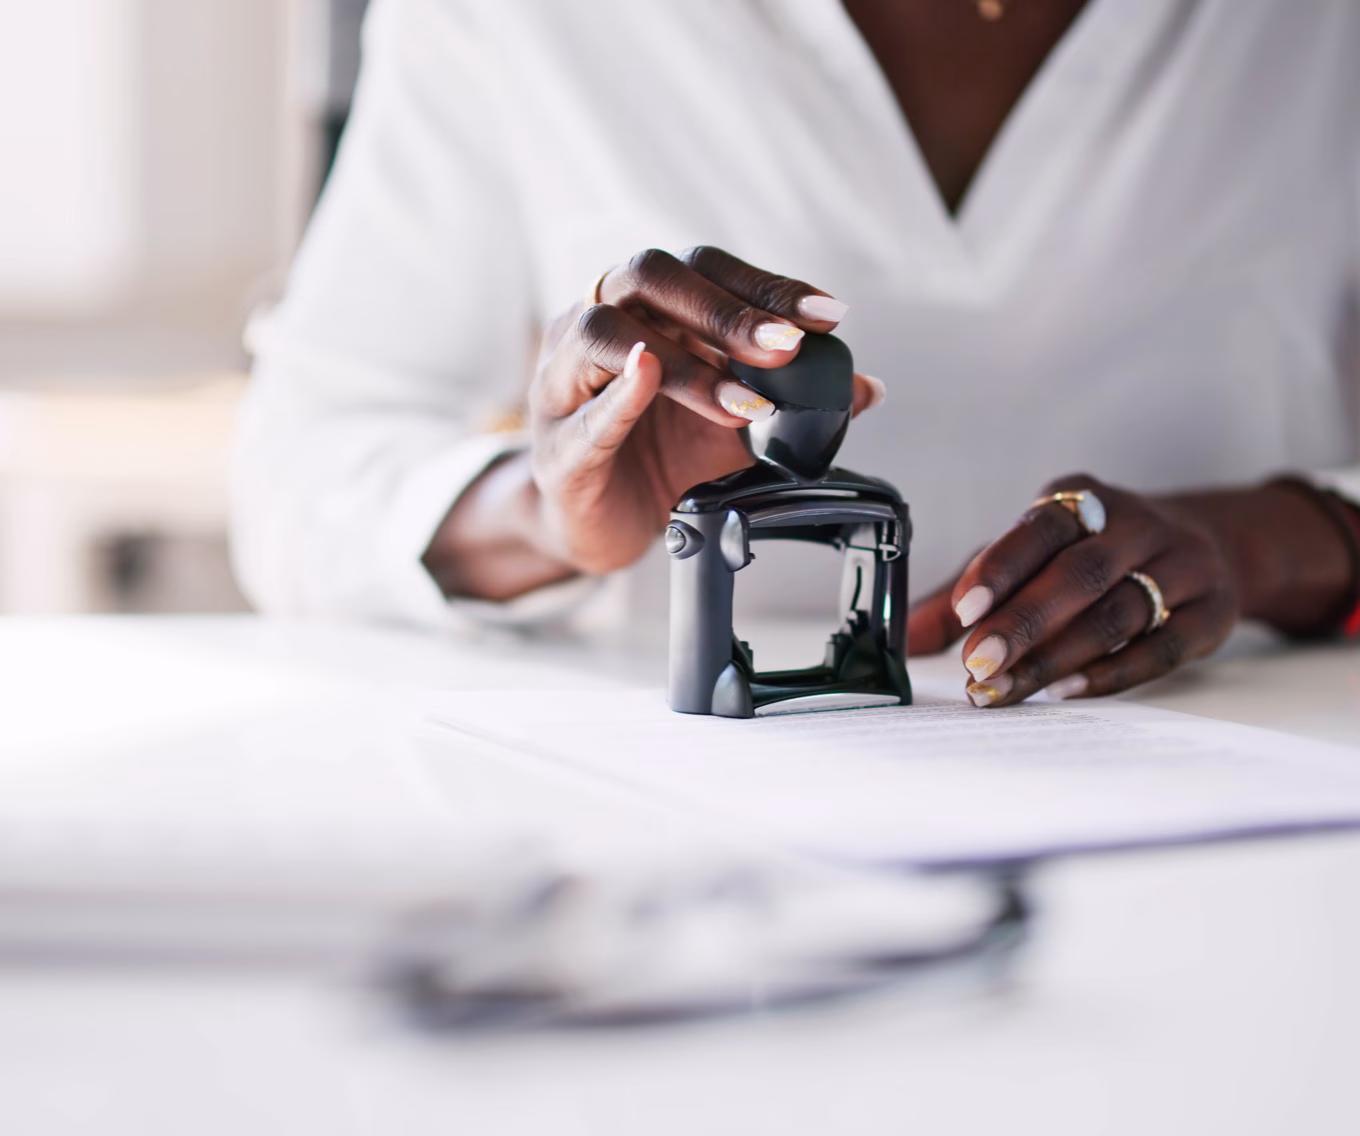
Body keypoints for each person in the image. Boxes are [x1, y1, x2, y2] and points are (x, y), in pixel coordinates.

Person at [230, 0, 1360, 708]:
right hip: (686, 822)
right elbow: (302, 474)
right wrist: (542, 508)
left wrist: (1278, 539)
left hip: (1259, 759)